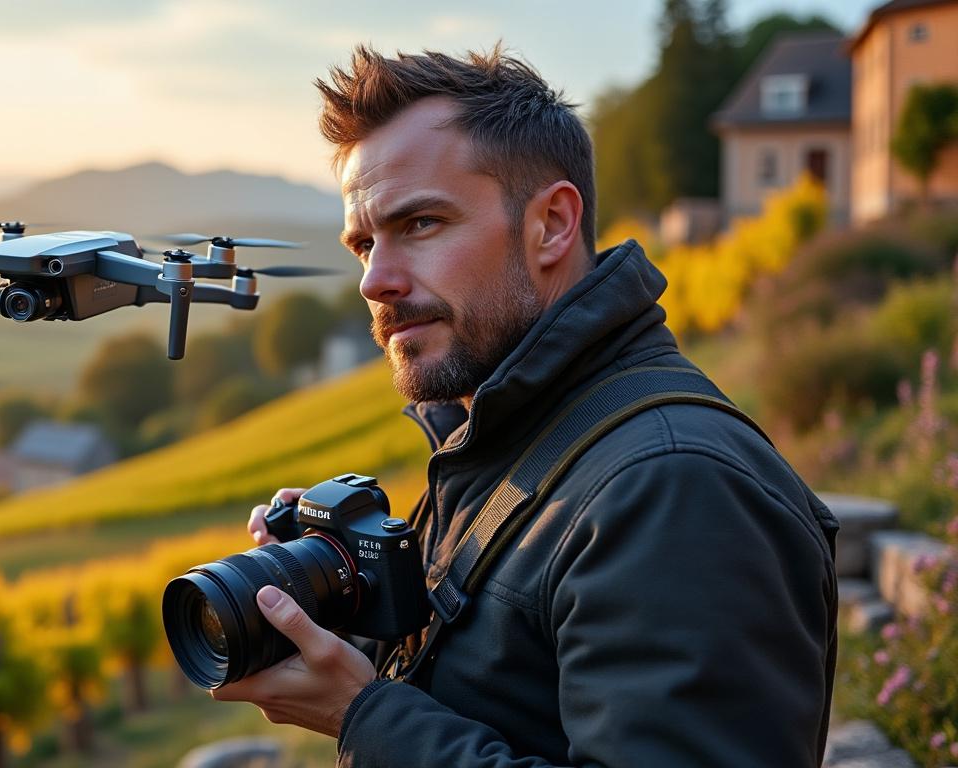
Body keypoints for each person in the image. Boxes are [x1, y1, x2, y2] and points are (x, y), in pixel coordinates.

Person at [211, 44, 839, 767]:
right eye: (363, 244)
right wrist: (347, 614)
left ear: (551, 225)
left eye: (419, 224)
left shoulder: (675, 488)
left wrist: (366, 717)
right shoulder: (509, 440)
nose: (374, 281)